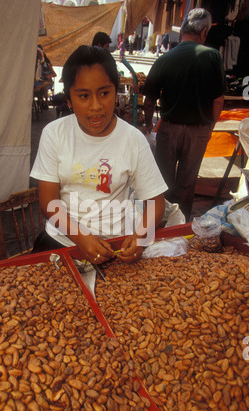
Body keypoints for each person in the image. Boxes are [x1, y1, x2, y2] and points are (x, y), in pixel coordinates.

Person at [30, 45, 167, 265]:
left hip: (116, 246)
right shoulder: (54, 134)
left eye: (104, 93)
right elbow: (48, 201)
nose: (96, 106)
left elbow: (155, 201)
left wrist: (141, 237)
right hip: (63, 241)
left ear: (116, 92)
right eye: (83, 96)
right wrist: (79, 237)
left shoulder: (133, 139)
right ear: (69, 100)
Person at [141, 8, 226, 222]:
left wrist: (148, 124)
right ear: (204, 32)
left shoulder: (165, 58)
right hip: (198, 131)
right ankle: (181, 227)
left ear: (182, 32)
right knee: (187, 184)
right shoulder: (213, 57)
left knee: (162, 180)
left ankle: (159, 223)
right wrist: (209, 127)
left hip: (169, 129)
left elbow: (149, 100)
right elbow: (218, 100)